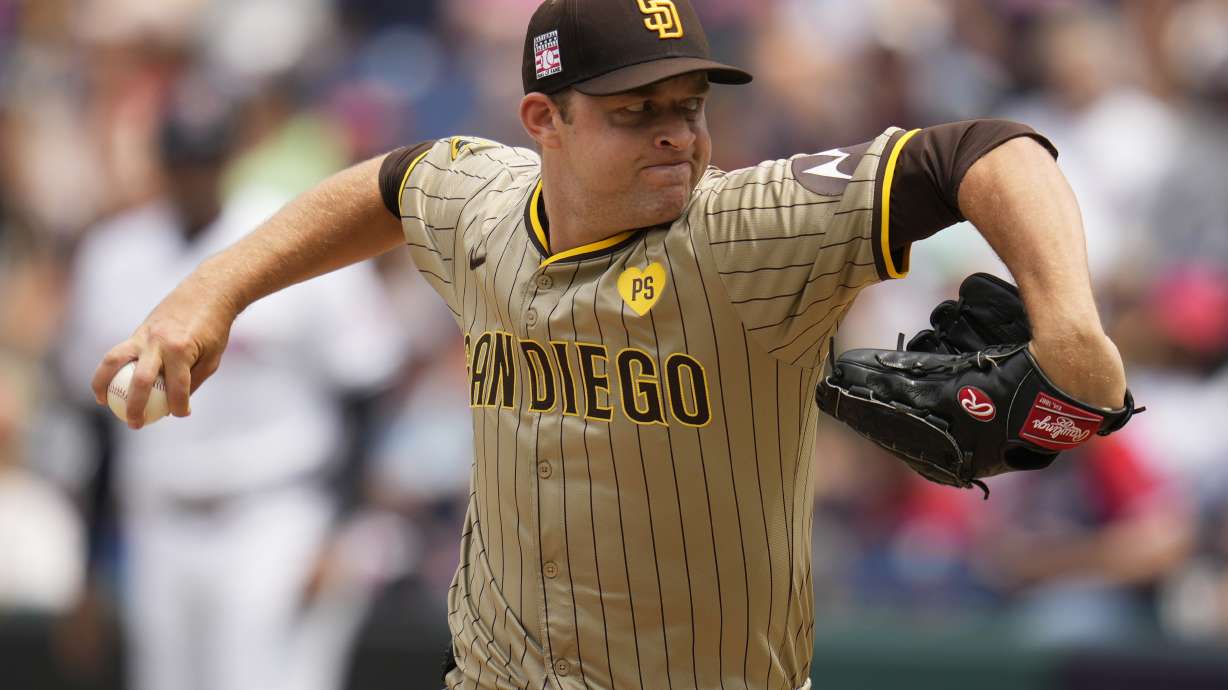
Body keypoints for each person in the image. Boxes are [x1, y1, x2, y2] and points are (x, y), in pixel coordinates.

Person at [91, 2, 1129, 689]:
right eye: (636, 113)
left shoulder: (745, 228)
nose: (678, 133)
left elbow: (984, 152)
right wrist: (210, 293)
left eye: (688, 106)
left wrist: (1069, 324)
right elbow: (385, 185)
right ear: (542, 119)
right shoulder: (482, 201)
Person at [63, 81, 406, 690]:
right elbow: (98, 424)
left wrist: (341, 529)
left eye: (205, 161)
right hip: (159, 519)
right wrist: (89, 568)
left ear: (229, 160)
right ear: (162, 165)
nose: (193, 177)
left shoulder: (286, 238)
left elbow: (367, 386)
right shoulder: (114, 254)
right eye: (181, 163)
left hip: (275, 512)